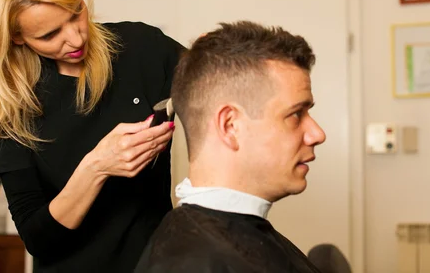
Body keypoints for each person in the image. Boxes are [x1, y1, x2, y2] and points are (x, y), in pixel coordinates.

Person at [0, 0, 184, 272]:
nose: (76, 38)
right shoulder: (5, 102)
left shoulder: (142, 48)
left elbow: (218, 94)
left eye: (75, 12)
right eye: (51, 34)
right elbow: (37, 238)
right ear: (17, 37)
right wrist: (97, 166)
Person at [134, 21, 327, 273]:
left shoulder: (229, 236)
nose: (317, 134)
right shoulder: (190, 263)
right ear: (230, 126)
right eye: (295, 114)